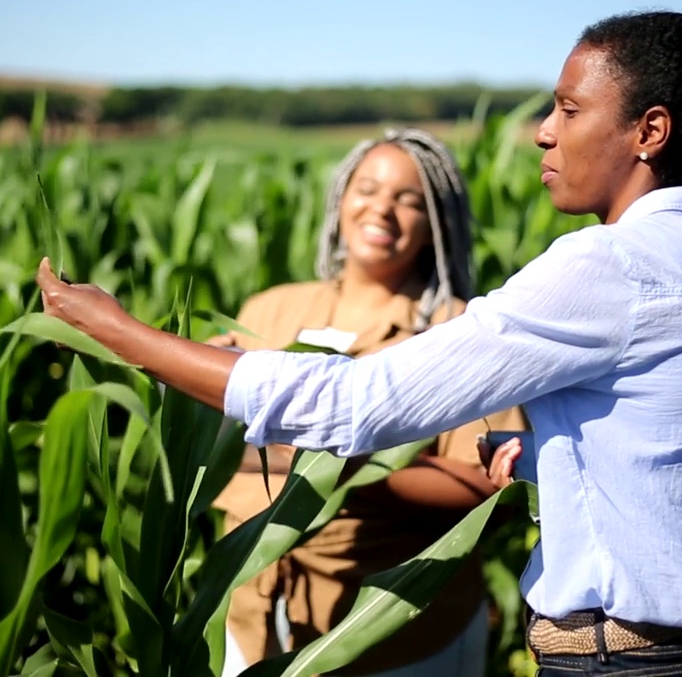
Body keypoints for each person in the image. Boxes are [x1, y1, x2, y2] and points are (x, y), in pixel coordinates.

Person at [35, 0, 682, 677]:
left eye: (568, 107)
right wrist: (559, 468)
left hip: (610, 664)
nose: (543, 132)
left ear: (648, 132)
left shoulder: (608, 267)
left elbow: (355, 408)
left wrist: (117, 330)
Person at [207, 127, 529, 677]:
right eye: (368, 188)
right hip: (249, 619)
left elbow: (489, 485)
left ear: (435, 225)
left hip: (396, 635)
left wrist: (344, 467)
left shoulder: (458, 333)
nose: (382, 209)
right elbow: (213, 448)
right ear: (340, 199)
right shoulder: (268, 312)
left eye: (409, 201)